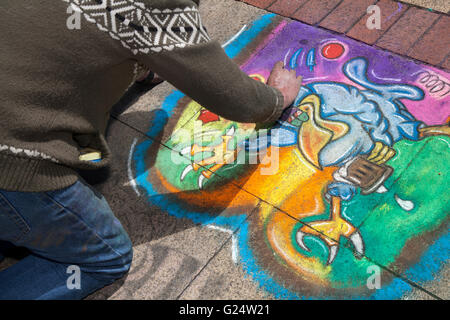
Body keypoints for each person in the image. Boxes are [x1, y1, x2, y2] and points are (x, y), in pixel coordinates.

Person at [0, 0, 302, 299]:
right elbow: (243, 102)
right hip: (12, 161)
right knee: (105, 257)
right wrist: (276, 98)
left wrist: (146, 60)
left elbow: (78, 37)